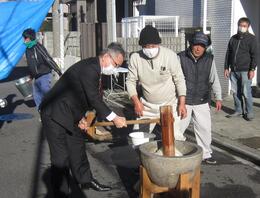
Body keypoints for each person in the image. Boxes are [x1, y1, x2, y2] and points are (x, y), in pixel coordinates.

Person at [39, 42, 127, 197]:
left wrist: (82, 118)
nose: (115, 69)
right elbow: (93, 98)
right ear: (107, 56)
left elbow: (80, 95)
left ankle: (86, 179)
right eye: (115, 64)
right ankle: (61, 192)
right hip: (54, 112)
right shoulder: (90, 68)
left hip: (70, 111)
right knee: (60, 157)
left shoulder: (96, 69)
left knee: (77, 147)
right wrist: (114, 118)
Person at [126, 25, 187, 140]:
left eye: (152, 46)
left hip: (169, 105)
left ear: (158, 44)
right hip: (147, 106)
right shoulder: (135, 58)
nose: (149, 49)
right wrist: (136, 102)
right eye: (146, 46)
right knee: (139, 139)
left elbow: (179, 79)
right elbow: (130, 81)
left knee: (175, 138)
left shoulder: (170, 56)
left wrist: (182, 103)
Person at [178, 32, 222, 164]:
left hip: (202, 99)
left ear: (206, 47)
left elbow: (214, 79)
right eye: (196, 45)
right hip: (184, 101)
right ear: (191, 45)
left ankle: (206, 154)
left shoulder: (209, 59)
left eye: (202, 46)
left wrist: (218, 97)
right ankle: (176, 151)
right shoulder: (180, 57)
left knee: (204, 129)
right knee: (178, 129)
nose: (198, 48)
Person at [224, 17, 258, 121]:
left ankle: (249, 112)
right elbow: (228, 53)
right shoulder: (233, 38)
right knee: (235, 92)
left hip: (245, 71)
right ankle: (238, 110)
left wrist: (252, 69)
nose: (242, 27)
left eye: (244, 26)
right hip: (233, 71)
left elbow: (255, 55)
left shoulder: (252, 39)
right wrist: (226, 67)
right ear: (238, 25)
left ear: (248, 27)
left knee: (246, 92)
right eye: (240, 25)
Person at [22, 28, 62, 109]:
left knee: (46, 91)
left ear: (29, 38)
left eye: (25, 38)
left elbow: (48, 59)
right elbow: (31, 65)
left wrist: (58, 71)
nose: (23, 40)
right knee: (37, 96)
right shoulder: (28, 49)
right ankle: (41, 112)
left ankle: (56, 107)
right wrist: (31, 76)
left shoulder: (38, 47)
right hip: (36, 77)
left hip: (44, 74)